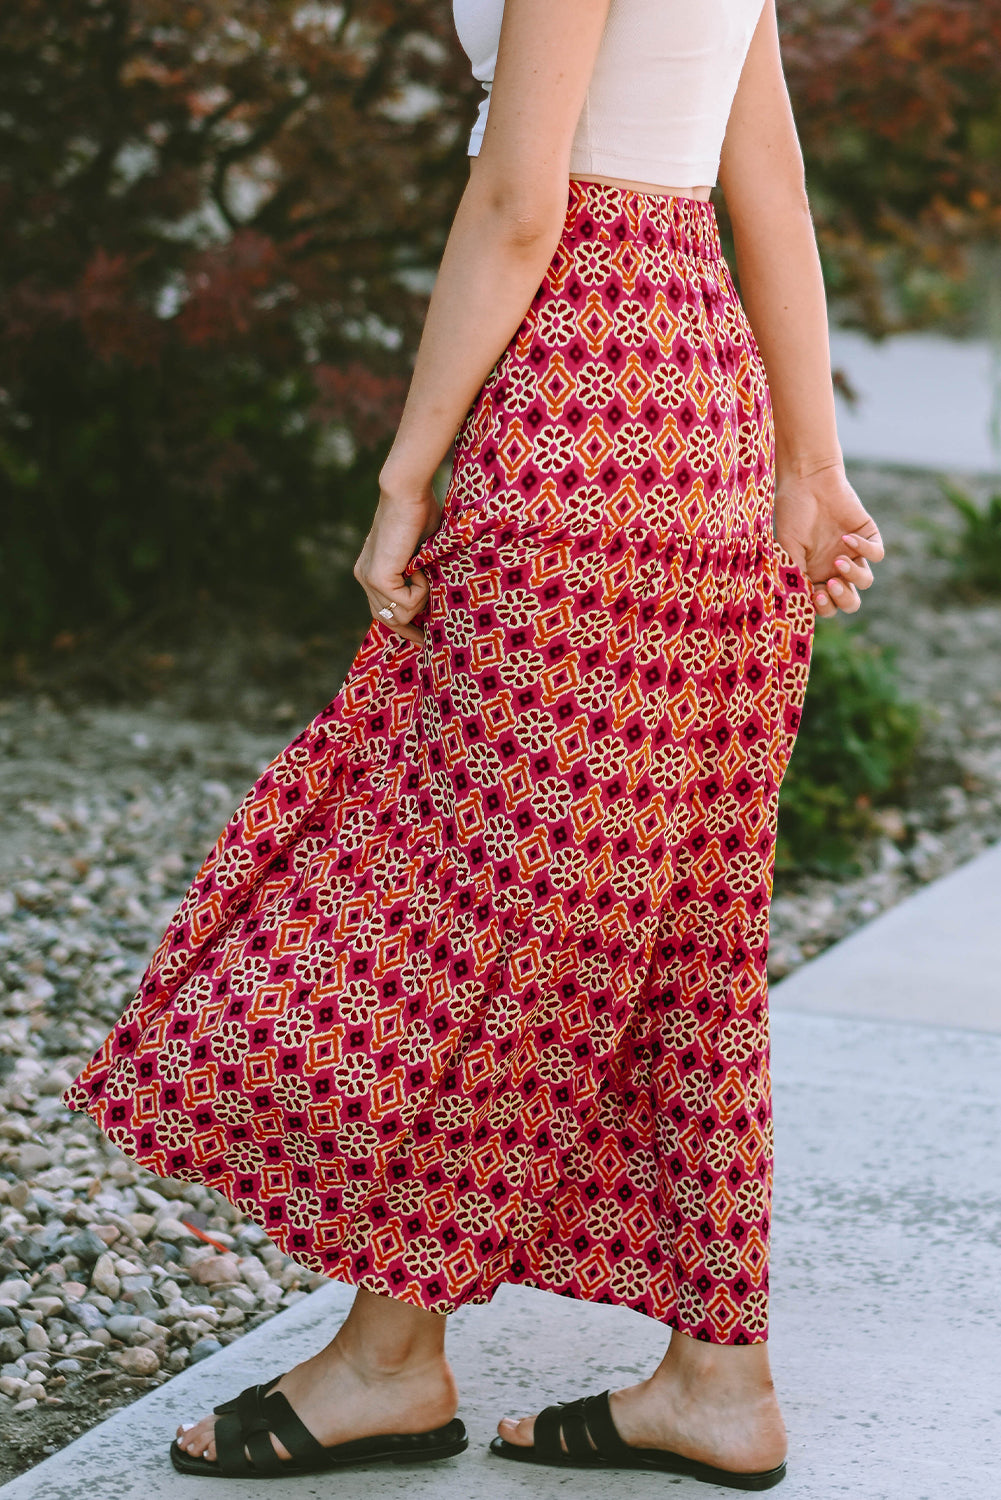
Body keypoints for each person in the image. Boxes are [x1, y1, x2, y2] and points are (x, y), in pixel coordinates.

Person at [64, 0, 883, 1486]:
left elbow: (518, 201)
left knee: (475, 900)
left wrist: (403, 468)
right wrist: (805, 463)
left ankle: (386, 1360)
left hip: (579, 401)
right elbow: (765, 165)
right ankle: (716, 1372)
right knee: (669, 917)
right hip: (701, 407)